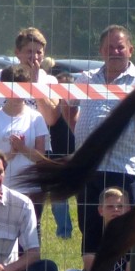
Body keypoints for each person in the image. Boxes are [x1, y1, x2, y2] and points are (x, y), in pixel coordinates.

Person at [70, 24, 135, 271]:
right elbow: (66, 108)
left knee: (125, 231)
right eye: (109, 47)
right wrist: (81, 134)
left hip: (123, 167)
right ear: (100, 50)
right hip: (88, 169)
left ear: (131, 49)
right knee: (90, 227)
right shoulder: (84, 79)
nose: (115, 51)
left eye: (120, 46)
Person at [0, 65, 49, 223]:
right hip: (0, 188)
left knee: (30, 236)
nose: (18, 94)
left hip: (30, 189)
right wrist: (7, 156)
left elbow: (41, 156)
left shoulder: (36, 118)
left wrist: (22, 149)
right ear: (4, 88)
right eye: (14, 88)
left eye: (23, 88)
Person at [0, 27, 59, 126]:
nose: (34, 57)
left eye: (38, 52)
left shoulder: (50, 80)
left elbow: (51, 120)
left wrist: (36, 86)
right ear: (17, 53)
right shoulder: (1, 76)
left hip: (37, 139)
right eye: (29, 51)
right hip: (5, 138)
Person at [48, 71, 76, 239]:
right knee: (58, 198)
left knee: (84, 198)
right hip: (55, 158)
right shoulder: (50, 112)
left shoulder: (78, 110)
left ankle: (86, 229)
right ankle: (64, 232)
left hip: (78, 156)